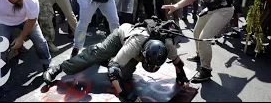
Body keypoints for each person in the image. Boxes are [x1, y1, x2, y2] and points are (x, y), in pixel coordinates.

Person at [43, 19, 189, 102]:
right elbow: (113, 70)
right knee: (97, 53)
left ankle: (111, 59)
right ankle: (60, 67)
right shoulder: (135, 44)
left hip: (136, 51)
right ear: (144, 55)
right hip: (121, 38)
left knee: (125, 76)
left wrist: (181, 74)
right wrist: (124, 94)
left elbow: (177, 61)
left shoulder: (168, 45)